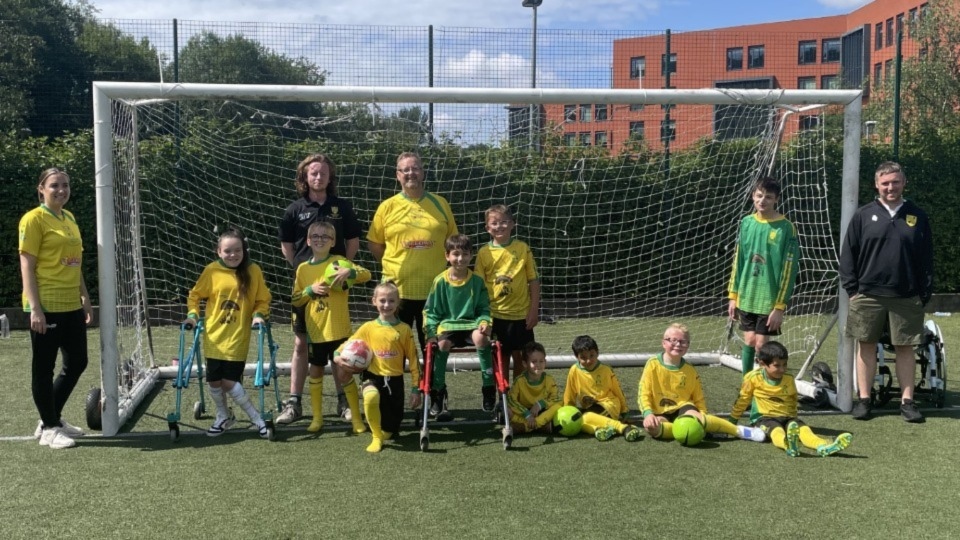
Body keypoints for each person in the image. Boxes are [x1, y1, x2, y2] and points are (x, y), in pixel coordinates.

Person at [840, 161, 933, 423]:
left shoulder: (918, 216)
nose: (890, 187)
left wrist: (923, 293)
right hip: (867, 295)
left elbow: (926, 259)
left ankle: (907, 402)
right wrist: (852, 289)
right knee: (865, 346)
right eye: (885, 183)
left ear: (904, 183)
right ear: (876, 185)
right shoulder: (862, 215)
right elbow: (849, 254)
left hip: (906, 296)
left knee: (905, 348)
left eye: (895, 182)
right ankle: (865, 400)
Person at [277, 154, 362, 425]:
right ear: (304, 177)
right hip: (306, 287)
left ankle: (342, 402)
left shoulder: (342, 207)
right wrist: (304, 269)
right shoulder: (294, 209)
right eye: (313, 173)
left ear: (330, 177)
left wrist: (342, 269)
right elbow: (287, 246)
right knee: (302, 342)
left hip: (334, 288)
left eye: (323, 173)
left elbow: (352, 241)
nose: (318, 177)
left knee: (338, 344)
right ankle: (294, 403)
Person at [19, 168, 93, 449]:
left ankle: (50, 417)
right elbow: (26, 265)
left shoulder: (70, 218)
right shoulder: (33, 219)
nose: (61, 190)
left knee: (77, 362)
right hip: (45, 304)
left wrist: (84, 295)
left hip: (70, 303)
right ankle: (49, 428)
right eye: (54, 185)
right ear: (41, 189)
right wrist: (35, 308)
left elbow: (75, 261)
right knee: (43, 368)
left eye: (65, 185)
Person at [367, 152, 458, 356]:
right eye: (405, 170)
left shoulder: (440, 204)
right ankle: (396, 389)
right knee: (395, 348)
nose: (411, 173)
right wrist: (397, 265)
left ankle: (432, 388)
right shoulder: (387, 207)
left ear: (423, 173)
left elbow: (453, 243)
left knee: (434, 348)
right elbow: (374, 244)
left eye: (415, 168)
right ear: (397, 175)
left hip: (434, 291)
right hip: (397, 292)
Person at [184, 226, 272, 438]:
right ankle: (224, 416)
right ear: (219, 252)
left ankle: (256, 419)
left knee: (229, 382)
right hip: (214, 336)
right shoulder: (212, 271)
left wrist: (259, 314)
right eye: (228, 251)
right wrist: (193, 315)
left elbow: (263, 299)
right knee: (214, 381)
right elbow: (194, 296)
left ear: (244, 250)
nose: (233, 255)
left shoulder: (254, 271)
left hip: (238, 336)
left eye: (237, 250)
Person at [727, 176, 800, 423]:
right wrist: (733, 295)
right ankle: (747, 388)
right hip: (747, 294)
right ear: (752, 196)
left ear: (776, 199)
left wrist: (780, 305)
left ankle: (762, 395)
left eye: (768, 197)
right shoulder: (746, 223)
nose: (763, 200)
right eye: (759, 195)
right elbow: (739, 259)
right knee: (748, 340)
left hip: (769, 299)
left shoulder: (786, 227)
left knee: (761, 346)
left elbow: (790, 270)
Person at [291, 221, 371, 434]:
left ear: (333, 241)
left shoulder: (340, 262)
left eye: (325, 237)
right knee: (315, 371)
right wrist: (310, 290)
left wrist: (349, 273)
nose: (320, 240)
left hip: (339, 331)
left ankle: (356, 419)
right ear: (308, 240)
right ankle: (317, 419)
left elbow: (367, 274)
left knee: (344, 372)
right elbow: (296, 299)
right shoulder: (303, 269)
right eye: (315, 236)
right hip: (316, 332)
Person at [334, 282, 422, 453]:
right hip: (372, 375)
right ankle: (375, 436)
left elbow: (413, 360)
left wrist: (415, 388)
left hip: (394, 381)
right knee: (371, 397)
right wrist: (337, 356)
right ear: (374, 301)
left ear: (398, 303)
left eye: (391, 301)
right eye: (382, 300)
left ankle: (384, 431)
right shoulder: (368, 327)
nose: (386, 305)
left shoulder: (404, 330)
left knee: (390, 429)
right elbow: (348, 343)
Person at [638, 323, 763, 442]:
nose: (678, 344)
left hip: (683, 407)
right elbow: (644, 393)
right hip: (659, 410)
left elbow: (698, 398)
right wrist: (648, 414)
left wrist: (703, 416)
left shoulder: (690, 370)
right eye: (673, 340)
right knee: (652, 428)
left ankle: (738, 430)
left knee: (696, 417)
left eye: (683, 342)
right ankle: (692, 430)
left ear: (687, 345)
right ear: (664, 343)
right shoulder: (652, 364)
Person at [729, 341, 852, 457]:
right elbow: (743, 400)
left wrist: (793, 417)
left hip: (788, 417)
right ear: (762, 364)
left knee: (804, 430)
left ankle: (823, 445)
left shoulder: (788, 379)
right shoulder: (753, 378)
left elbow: (792, 399)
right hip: (763, 418)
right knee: (776, 431)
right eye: (777, 366)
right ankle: (787, 444)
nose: (782, 369)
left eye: (785, 365)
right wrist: (732, 422)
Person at [423, 234, 494, 420]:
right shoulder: (440, 281)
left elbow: (483, 309)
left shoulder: (477, 281)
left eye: (464, 254)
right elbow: (431, 312)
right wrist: (430, 333)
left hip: (471, 325)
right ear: (447, 256)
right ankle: (437, 392)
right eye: (455, 254)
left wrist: (485, 323)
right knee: (442, 345)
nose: (460, 258)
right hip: (448, 325)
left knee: (481, 338)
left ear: (471, 256)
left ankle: (489, 388)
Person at [474, 204, 541, 383]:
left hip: (521, 315)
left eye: (504, 222)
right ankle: (501, 400)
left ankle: (517, 397)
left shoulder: (522, 248)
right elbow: (478, 285)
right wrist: (481, 314)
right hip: (496, 316)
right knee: (499, 359)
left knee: (522, 359)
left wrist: (534, 310)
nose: (500, 226)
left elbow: (533, 280)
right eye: (494, 223)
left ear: (513, 224)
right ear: (487, 228)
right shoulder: (483, 252)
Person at [563, 335, 642, 442]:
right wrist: (568, 409)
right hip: (590, 408)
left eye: (592, 355)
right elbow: (570, 392)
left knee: (585, 417)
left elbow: (617, 391)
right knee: (575, 421)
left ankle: (623, 427)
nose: (589, 360)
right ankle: (598, 429)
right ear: (577, 357)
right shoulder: (574, 370)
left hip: (609, 405)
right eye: (583, 357)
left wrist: (624, 411)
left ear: (597, 353)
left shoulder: (606, 370)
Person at [505, 341, 561, 435]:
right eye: (534, 362)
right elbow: (511, 400)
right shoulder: (519, 381)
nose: (538, 365)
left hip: (541, 412)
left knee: (560, 404)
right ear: (525, 364)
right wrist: (526, 414)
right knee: (507, 410)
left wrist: (540, 404)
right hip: (524, 412)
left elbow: (555, 398)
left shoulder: (549, 379)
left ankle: (526, 427)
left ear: (545, 362)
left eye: (541, 361)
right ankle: (541, 426)